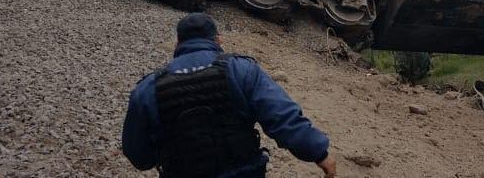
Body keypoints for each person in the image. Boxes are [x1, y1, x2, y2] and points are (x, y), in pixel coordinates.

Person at [122, 13, 337, 177]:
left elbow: (138, 155)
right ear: (218, 40)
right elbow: (281, 116)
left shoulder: (148, 87)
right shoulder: (241, 70)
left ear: (178, 43)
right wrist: (319, 153)